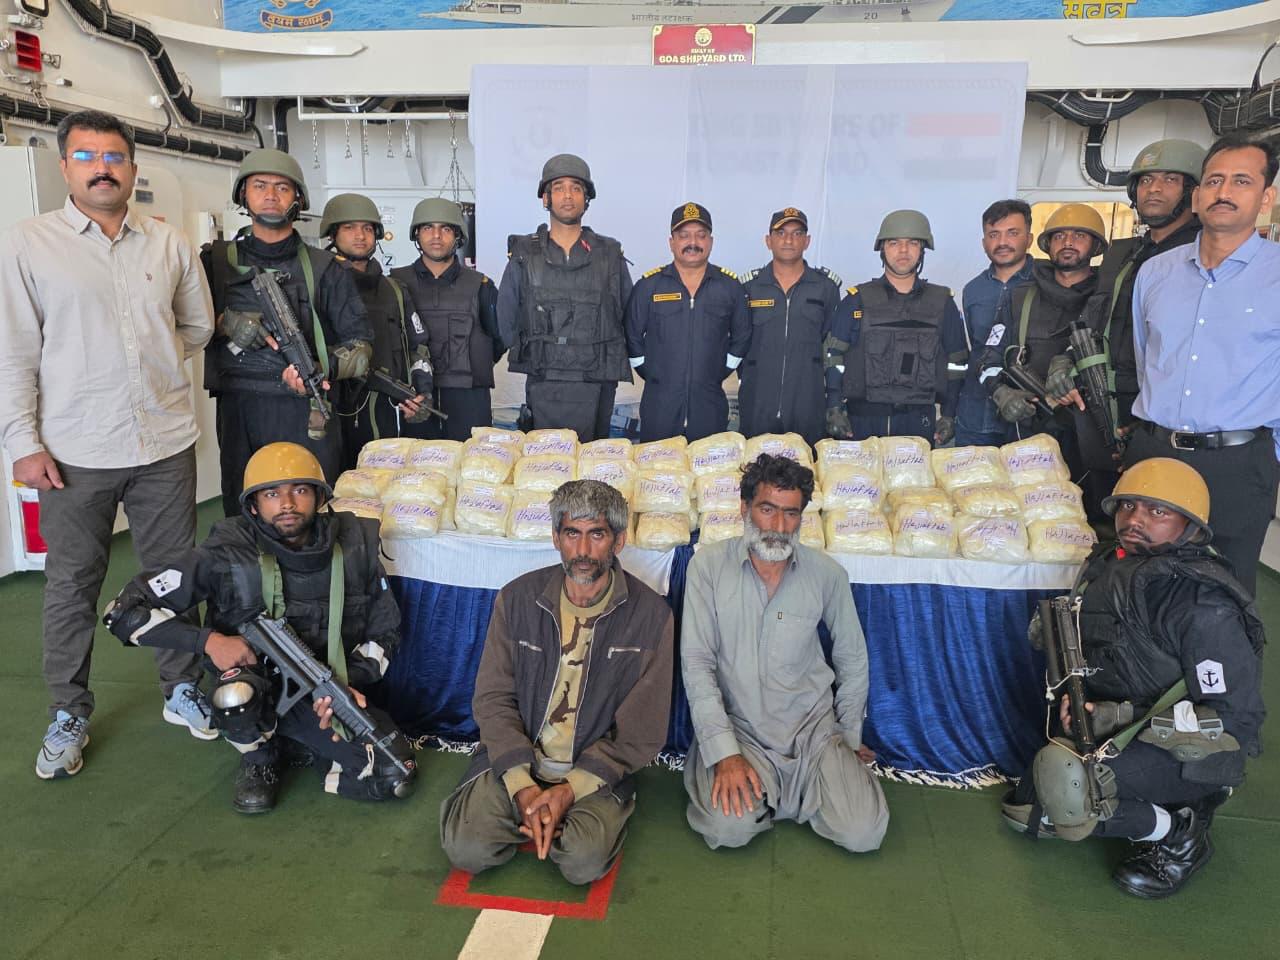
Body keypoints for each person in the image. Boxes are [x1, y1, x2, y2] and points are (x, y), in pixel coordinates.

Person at [0, 110, 217, 780]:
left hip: (163, 444)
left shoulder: (168, 242)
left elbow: (198, 326)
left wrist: (150, 363)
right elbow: (14, 354)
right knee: (72, 584)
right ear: (64, 166)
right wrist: (23, 443)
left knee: (173, 575)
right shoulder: (28, 245)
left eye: (114, 156)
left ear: (132, 167)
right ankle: (68, 712)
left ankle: (181, 687)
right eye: (88, 156)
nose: (103, 168)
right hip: (73, 452)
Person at [102, 442, 415, 813]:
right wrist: (209, 642)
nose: (287, 504)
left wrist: (348, 684)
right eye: (271, 494)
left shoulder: (354, 545)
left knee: (393, 775)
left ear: (319, 497)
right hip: (253, 683)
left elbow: (385, 632)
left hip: (324, 689)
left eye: (300, 490)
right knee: (235, 696)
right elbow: (122, 612)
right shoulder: (225, 551)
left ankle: (297, 743)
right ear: (253, 505)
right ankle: (259, 759)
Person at [1002, 458, 1264, 899]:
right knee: (1026, 809)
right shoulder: (1108, 565)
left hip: (1185, 751)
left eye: (1157, 511)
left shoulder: (1203, 605)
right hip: (1117, 728)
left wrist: (1121, 718)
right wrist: (1077, 701)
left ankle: (1179, 831)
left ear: (1191, 525)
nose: (1135, 520)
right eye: (1128, 506)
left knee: (1069, 791)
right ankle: (1126, 799)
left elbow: (1234, 719)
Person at [440, 480, 674, 884]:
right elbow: (493, 699)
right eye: (571, 534)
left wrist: (569, 790)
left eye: (596, 535)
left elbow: (641, 732)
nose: (582, 551)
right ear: (555, 537)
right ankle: (535, 813)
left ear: (619, 541)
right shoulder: (517, 599)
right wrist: (522, 786)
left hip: (591, 770)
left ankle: (551, 815)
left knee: (583, 863)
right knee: (467, 848)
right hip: (518, 759)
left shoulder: (652, 617)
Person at [681, 454, 889, 853]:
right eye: (767, 510)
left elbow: (852, 658)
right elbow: (697, 663)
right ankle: (741, 779)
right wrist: (725, 754)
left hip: (813, 734)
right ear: (744, 509)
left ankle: (811, 786)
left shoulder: (826, 574)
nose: (778, 526)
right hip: (741, 731)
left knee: (863, 834)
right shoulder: (707, 568)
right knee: (728, 829)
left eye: (791, 514)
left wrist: (848, 738)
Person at [1124, 134, 1279, 597]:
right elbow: (1146, 360)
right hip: (1155, 452)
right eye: (1213, 180)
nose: (1223, 192)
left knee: (1225, 596)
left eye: (1241, 181)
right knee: (1137, 587)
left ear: (1266, 197)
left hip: (1237, 463)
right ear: (1197, 196)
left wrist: (1265, 458)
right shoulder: (1156, 273)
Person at [201, 148, 371, 516]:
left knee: (313, 510)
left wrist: (320, 370)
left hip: (306, 408)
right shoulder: (215, 262)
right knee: (244, 508)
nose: (270, 195)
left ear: (297, 199)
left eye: (282, 188)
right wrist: (226, 322)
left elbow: (360, 348)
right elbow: (181, 322)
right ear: (243, 194)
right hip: (240, 408)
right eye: (259, 185)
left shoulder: (326, 268)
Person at [1044, 140, 1206, 486]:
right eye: (1146, 181)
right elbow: (1095, 319)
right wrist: (1065, 359)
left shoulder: (1203, 256)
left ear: (1193, 192)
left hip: (1159, 420)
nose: (1154, 189)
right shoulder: (1125, 255)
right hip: (1101, 402)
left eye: (1169, 179)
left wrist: (1150, 425)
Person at [497, 154, 632, 442]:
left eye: (576, 188)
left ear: (586, 198)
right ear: (545, 198)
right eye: (558, 188)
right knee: (544, 461)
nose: (568, 195)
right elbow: (506, 317)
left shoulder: (609, 254)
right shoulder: (524, 254)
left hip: (597, 383)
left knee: (594, 464)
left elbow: (627, 314)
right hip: (544, 380)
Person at [976, 203, 1104, 484]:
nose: (1068, 243)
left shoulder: (1108, 298)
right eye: (1059, 236)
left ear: (1096, 245)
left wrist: (1070, 364)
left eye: (1079, 235)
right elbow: (988, 358)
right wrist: (1001, 393)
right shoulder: (1021, 297)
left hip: (1090, 433)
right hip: (1027, 430)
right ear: (1047, 245)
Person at [824, 209, 968, 446]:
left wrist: (950, 413)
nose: (903, 250)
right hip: (862, 421)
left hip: (918, 420)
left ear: (922, 250)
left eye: (912, 243)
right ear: (882, 249)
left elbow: (958, 362)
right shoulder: (856, 300)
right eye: (894, 243)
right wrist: (834, 407)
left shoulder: (942, 303)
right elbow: (834, 357)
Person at [317, 193, 434, 468]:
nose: (360, 236)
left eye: (367, 228)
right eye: (349, 227)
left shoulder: (394, 290)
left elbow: (418, 347)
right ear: (333, 234)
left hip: (387, 415)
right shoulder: (318, 286)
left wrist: (423, 393)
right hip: (332, 412)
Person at [626, 202, 751, 442]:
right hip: (659, 406)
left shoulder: (729, 287)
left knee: (709, 464)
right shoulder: (649, 286)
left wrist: (719, 371)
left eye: (700, 235)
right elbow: (632, 336)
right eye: (684, 235)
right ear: (671, 242)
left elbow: (742, 336)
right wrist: (652, 374)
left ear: (711, 241)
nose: (692, 242)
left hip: (709, 405)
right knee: (657, 464)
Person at [391, 197, 503, 442]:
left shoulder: (481, 286)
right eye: (427, 227)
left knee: (473, 460)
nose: (436, 236)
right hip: (415, 398)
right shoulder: (395, 284)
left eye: (446, 229)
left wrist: (472, 361)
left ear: (458, 235)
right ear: (416, 234)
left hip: (469, 398)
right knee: (418, 463)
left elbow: (499, 337)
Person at [737, 208, 843, 447]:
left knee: (805, 465)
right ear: (768, 240)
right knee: (756, 464)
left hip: (807, 400)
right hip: (758, 400)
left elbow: (831, 346)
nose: (788, 240)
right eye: (781, 233)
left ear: (807, 241)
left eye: (797, 233)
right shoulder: (749, 288)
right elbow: (738, 343)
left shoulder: (825, 288)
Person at [955, 199, 1035, 447]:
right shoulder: (972, 290)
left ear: (1029, 238)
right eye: (994, 234)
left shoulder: (1046, 283)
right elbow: (978, 348)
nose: (1002, 242)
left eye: (1012, 233)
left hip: (1030, 416)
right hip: (976, 417)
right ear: (984, 243)